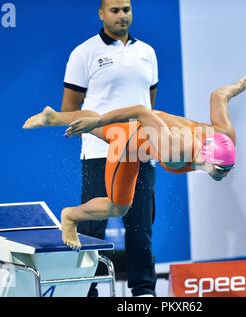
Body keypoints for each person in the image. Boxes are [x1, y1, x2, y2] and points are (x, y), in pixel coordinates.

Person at [24, 75, 246, 250]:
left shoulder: (225, 136)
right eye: (221, 169)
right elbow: (140, 111)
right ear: (205, 156)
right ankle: (70, 216)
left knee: (96, 124)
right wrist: (97, 124)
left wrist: (238, 87)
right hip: (129, 144)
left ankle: (53, 117)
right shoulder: (175, 150)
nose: (225, 174)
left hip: (150, 132)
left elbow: (218, 95)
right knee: (118, 206)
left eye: (229, 168)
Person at [61, 0, 158, 297]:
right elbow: (69, 110)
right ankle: (86, 291)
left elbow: (148, 106)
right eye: (115, 10)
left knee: (141, 229)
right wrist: (99, 138)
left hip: (140, 152)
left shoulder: (148, 53)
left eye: (126, 9)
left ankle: (143, 292)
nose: (122, 15)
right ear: (101, 14)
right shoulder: (84, 52)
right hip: (99, 154)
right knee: (92, 230)